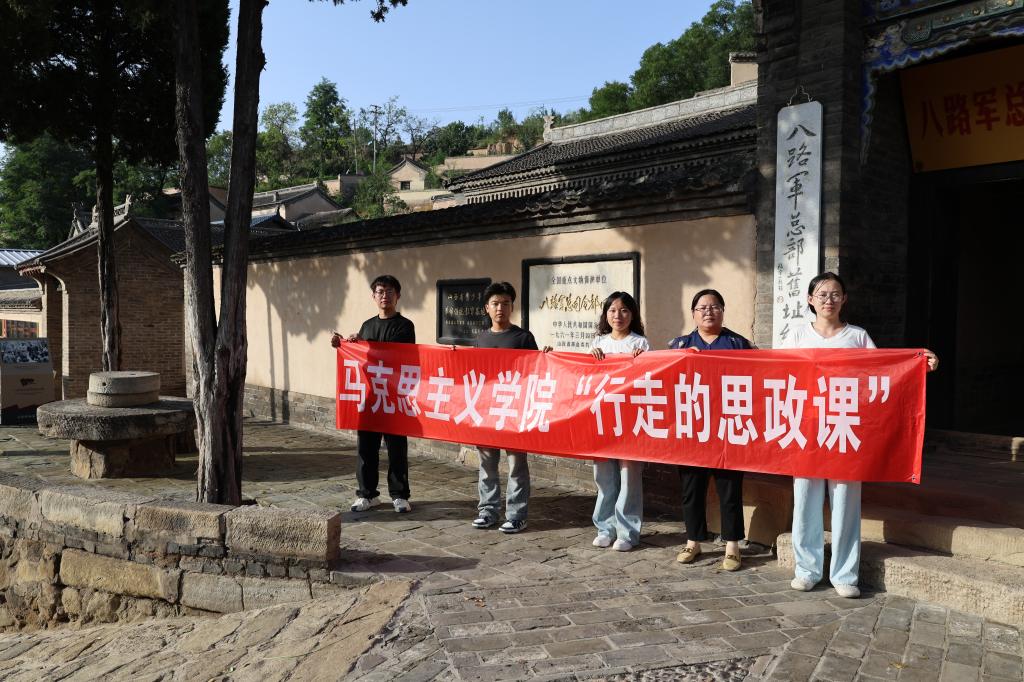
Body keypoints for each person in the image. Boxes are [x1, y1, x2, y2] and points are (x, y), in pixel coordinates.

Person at [780, 272, 938, 598]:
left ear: (844, 299)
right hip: (807, 429)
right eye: (822, 294)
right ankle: (807, 570)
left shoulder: (858, 336)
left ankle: (844, 574)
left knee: (845, 502)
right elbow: (776, 373)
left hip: (845, 428)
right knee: (805, 501)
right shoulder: (796, 335)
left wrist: (918, 365)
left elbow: (883, 373)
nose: (828, 300)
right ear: (810, 300)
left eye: (835, 294)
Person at [668, 289, 752, 572]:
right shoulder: (679, 345)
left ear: (723, 311)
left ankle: (732, 545)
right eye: (702, 308)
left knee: (730, 489)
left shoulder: (739, 344)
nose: (708, 312)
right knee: (692, 489)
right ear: (693, 314)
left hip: (728, 426)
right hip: (691, 428)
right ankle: (693, 541)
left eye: (715, 307)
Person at [332, 274, 416, 514]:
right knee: (366, 449)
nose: (384, 296)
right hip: (370, 396)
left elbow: (395, 354)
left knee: (397, 448)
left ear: (398, 296)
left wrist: (364, 343)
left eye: (389, 291)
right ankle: (367, 495)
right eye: (380, 291)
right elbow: (361, 357)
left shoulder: (405, 325)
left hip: (394, 397)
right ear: (373, 296)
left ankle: (400, 495)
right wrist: (345, 344)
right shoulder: (367, 325)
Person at [471, 282, 539, 534]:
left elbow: (536, 371)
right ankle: (487, 511)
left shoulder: (523, 338)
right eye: (495, 303)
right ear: (487, 308)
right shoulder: (481, 338)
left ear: (512, 307)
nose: (500, 308)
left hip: (514, 410)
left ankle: (517, 515)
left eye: (506, 303)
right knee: (487, 465)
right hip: (486, 411)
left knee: (516, 465)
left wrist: (546, 355)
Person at [589, 292, 649, 552]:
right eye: (612, 310)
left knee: (629, 476)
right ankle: (605, 527)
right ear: (606, 314)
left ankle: (627, 533)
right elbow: (584, 377)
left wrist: (641, 359)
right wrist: (590, 358)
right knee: (604, 477)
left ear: (632, 314)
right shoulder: (598, 343)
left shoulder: (640, 343)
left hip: (630, 419)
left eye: (624, 310)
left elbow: (649, 378)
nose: (618, 316)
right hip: (602, 418)